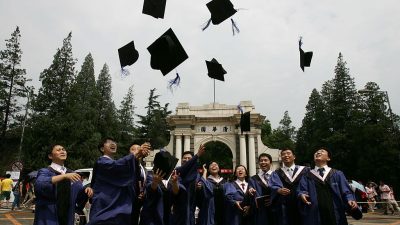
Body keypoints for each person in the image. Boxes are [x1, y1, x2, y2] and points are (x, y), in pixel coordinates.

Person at [88, 137, 150, 225]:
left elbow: (130, 178)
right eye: (109, 142)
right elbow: (117, 166)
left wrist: (137, 157)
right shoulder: (102, 162)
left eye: (114, 142)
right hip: (105, 206)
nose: (113, 144)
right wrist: (136, 154)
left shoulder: (118, 163)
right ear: (102, 148)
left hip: (116, 208)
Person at [33, 144, 93, 225]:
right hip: (48, 217)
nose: (62, 151)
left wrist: (86, 191)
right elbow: (40, 184)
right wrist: (63, 176)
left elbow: (78, 199)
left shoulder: (72, 173)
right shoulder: (45, 171)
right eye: (58, 150)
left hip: (67, 218)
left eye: (63, 149)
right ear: (50, 156)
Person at [298, 148, 358, 225]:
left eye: (322, 151)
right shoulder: (307, 175)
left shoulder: (337, 174)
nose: (318, 152)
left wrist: (350, 199)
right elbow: (302, 189)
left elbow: (346, 191)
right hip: (315, 215)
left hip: (336, 215)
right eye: (316, 152)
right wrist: (302, 194)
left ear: (328, 158)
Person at [269, 148, 308, 225]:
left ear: (294, 156)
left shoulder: (305, 170)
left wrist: (304, 193)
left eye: (288, 153)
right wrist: (278, 190)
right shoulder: (277, 173)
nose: (286, 155)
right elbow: (273, 185)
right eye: (283, 154)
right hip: (284, 206)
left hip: (302, 204)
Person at [172, 145, 205, 225]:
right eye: (184, 158)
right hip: (179, 208)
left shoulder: (197, 174)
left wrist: (199, 187)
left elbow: (200, 193)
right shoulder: (178, 171)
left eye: (189, 158)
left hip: (191, 208)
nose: (186, 160)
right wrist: (197, 156)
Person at [248, 153, 274, 225]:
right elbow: (251, 188)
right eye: (261, 161)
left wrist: (273, 199)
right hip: (261, 211)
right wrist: (250, 191)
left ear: (270, 162)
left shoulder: (277, 175)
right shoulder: (253, 179)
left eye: (265, 160)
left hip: (275, 209)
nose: (263, 162)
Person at [129, 142, 148, 225]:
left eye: (138, 149)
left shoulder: (144, 169)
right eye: (133, 149)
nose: (137, 151)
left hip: (140, 201)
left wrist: (143, 193)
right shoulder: (127, 165)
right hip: (129, 202)